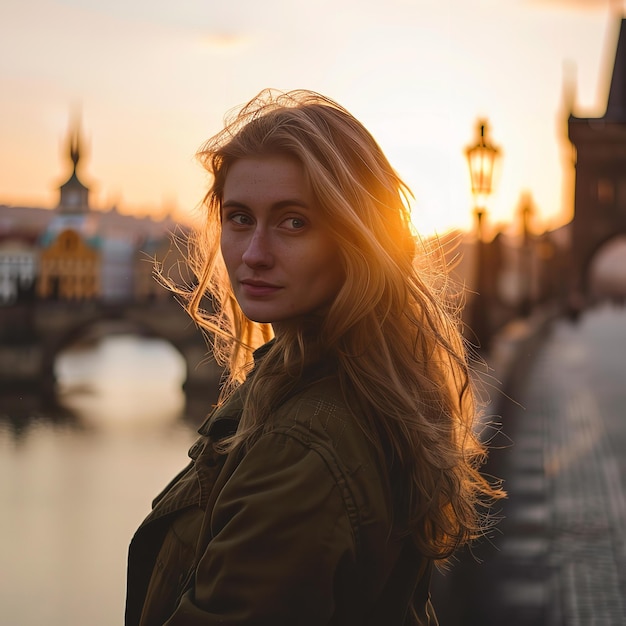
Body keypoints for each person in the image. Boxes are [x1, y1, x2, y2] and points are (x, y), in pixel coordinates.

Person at [125, 89, 504, 626]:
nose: (254, 253)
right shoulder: (375, 383)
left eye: (293, 222)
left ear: (357, 239)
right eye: (238, 218)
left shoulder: (299, 447)